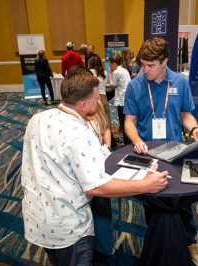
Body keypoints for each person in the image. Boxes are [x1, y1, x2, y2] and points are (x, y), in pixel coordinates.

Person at [21, 70, 168, 266]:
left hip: (38, 219)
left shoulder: (37, 119)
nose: (99, 102)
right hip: (68, 228)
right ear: (83, 105)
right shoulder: (79, 133)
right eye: (97, 98)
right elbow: (96, 187)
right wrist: (146, 185)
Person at [123, 37, 198, 266]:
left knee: (183, 202)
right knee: (153, 202)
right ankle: (157, 241)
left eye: (150, 65)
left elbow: (186, 114)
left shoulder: (179, 82)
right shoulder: (135, 85)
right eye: (142, 64)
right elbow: (129, 121)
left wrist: (195, 128)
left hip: (176, 152)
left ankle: (190, 241)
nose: (145, 69)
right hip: (147, 155)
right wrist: (137, 140)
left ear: (165, 62)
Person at [106, 54, 131, 145]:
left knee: (124, 124)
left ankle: (127, 144)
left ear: (114, 63)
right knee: (128, 123)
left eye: (110, 64)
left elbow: (112, 85)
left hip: (121, 101)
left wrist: (109, 74)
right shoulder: (125, 70)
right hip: (128, 100)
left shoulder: (116, 72)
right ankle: (128, 143)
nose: (110, 67)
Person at [88, 54, 111, 128]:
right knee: (105, 118)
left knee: (96, 120)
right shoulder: (104, 72)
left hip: (93, 97)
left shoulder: (89, 72)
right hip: (103, 97)